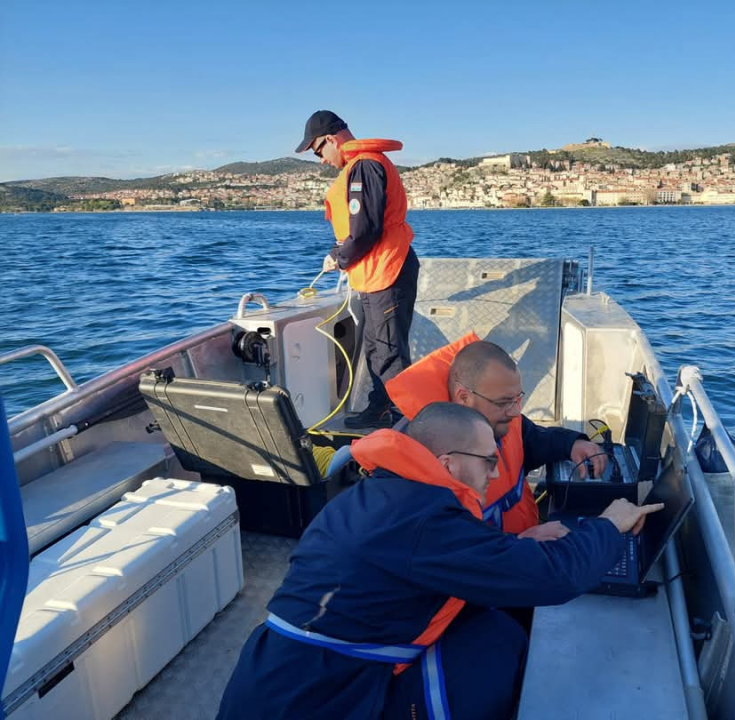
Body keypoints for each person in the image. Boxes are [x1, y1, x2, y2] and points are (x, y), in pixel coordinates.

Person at [217, 402, 661, 720]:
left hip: (284, 674)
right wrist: (610, 524)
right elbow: (555, 577)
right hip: (316, 698)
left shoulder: (393, 494)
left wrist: (520, 540)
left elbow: (439, 558)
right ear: (447, 464)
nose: (494, 472)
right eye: (489, 461)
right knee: (495, 645)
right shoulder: (421, 518)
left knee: (493, 623)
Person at [386, 333, 608, 538]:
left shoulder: (500, 417)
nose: (514, 412)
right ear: (464, 398)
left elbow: (531, 439)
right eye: (503, 402)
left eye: (517, 398)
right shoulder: (422, 465)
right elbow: (448, 555)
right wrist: (519, 544)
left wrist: (571, 443)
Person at [296, 109, 419, 429]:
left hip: (388, 268)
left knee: (389, 351)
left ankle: (406, 426)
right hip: (377, 269)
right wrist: (341, 254)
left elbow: (365, 229)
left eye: (318, 150)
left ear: (330, 139)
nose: (320, 159)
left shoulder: (364, 166)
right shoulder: (360, 165)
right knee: (378, 346)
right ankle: (381, 408)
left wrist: (340, 256)